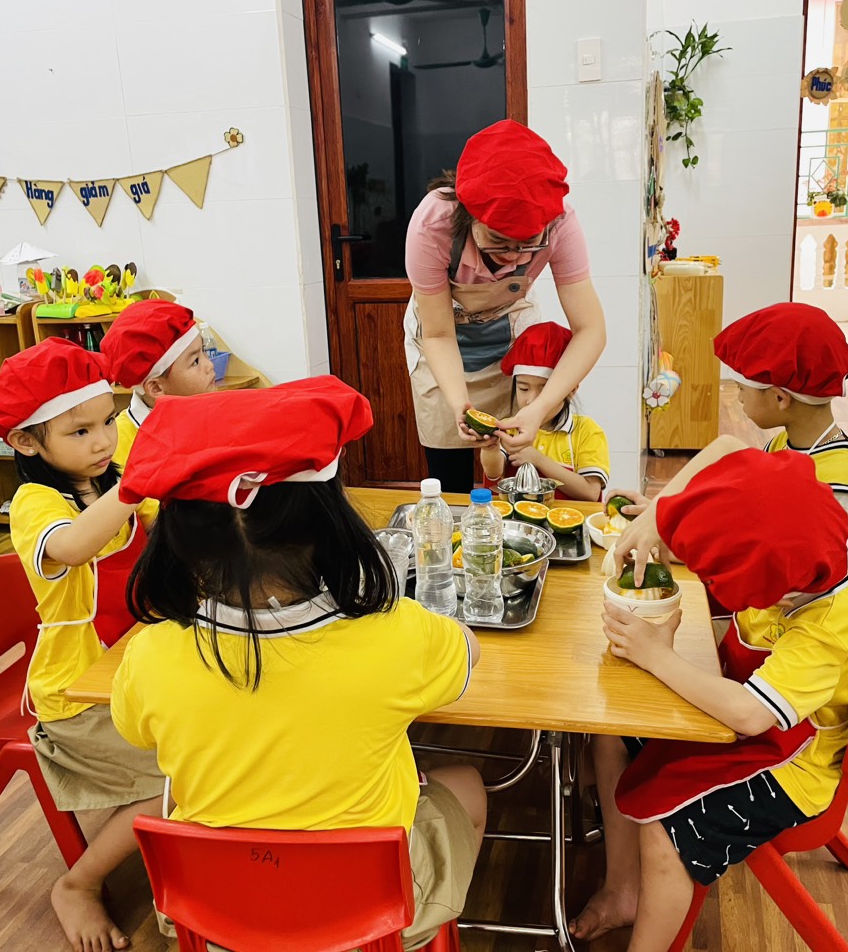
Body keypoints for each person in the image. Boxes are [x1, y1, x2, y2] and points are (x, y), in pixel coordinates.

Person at [110, 376, 487, 950]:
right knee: (468, 786)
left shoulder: (150, 654)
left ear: (178, 541)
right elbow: (468, 653)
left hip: (219, 910)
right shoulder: (397, 633)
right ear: (331, 523)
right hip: (366, 911)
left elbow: (134, 731)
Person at [570, 449, 848, 948]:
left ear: (783, 591)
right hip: (747, 718)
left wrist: (657, 655)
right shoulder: (801, 547)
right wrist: (664, 517)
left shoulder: (833, 620)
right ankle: (622, 891)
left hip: (791, 767)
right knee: (611, 737)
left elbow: (751, 715)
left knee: (665, 832)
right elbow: (733, 459)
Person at [0, 338, 165, 952]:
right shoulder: (36, 504)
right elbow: (74, 545)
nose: (104, 440)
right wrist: (133, 488)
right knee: (186, 771)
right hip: (75, 698)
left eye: (108, 421)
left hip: (133, 667)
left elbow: (162, 518)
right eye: (80, 431)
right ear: (26, 442)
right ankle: (78, 884)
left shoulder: (105, 479)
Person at [404, 119, 607, 494]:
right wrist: (459, 403)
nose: (514, 257)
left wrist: (540, 407)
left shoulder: (560, 223)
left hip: (507, 333)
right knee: (448, 463)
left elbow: (590, 329)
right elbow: (439, 333)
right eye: (498, 241)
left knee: (509, 465)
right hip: (440, 339)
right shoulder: (432, 225)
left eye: (528, 244)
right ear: (469, 215)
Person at [715, 301, 848, 549]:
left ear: (779, 398)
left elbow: (822, 570)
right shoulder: (785, 443)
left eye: (742, 389)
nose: (739, 398)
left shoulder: (838, 490)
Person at [480, 321, 609, 501]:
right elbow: (494, 474)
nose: (531, 400)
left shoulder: (587, 432)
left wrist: (538, 460)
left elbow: (590, 493)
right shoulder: (509, 427)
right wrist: (490, 449)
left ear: (571, 389)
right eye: (524, 388)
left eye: (544, 389)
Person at [99, 298, 216, 475]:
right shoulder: (120, 449)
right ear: (156, 388)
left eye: (204, 351)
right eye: (195, 361)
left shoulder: (211, 412)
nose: (210, 365)